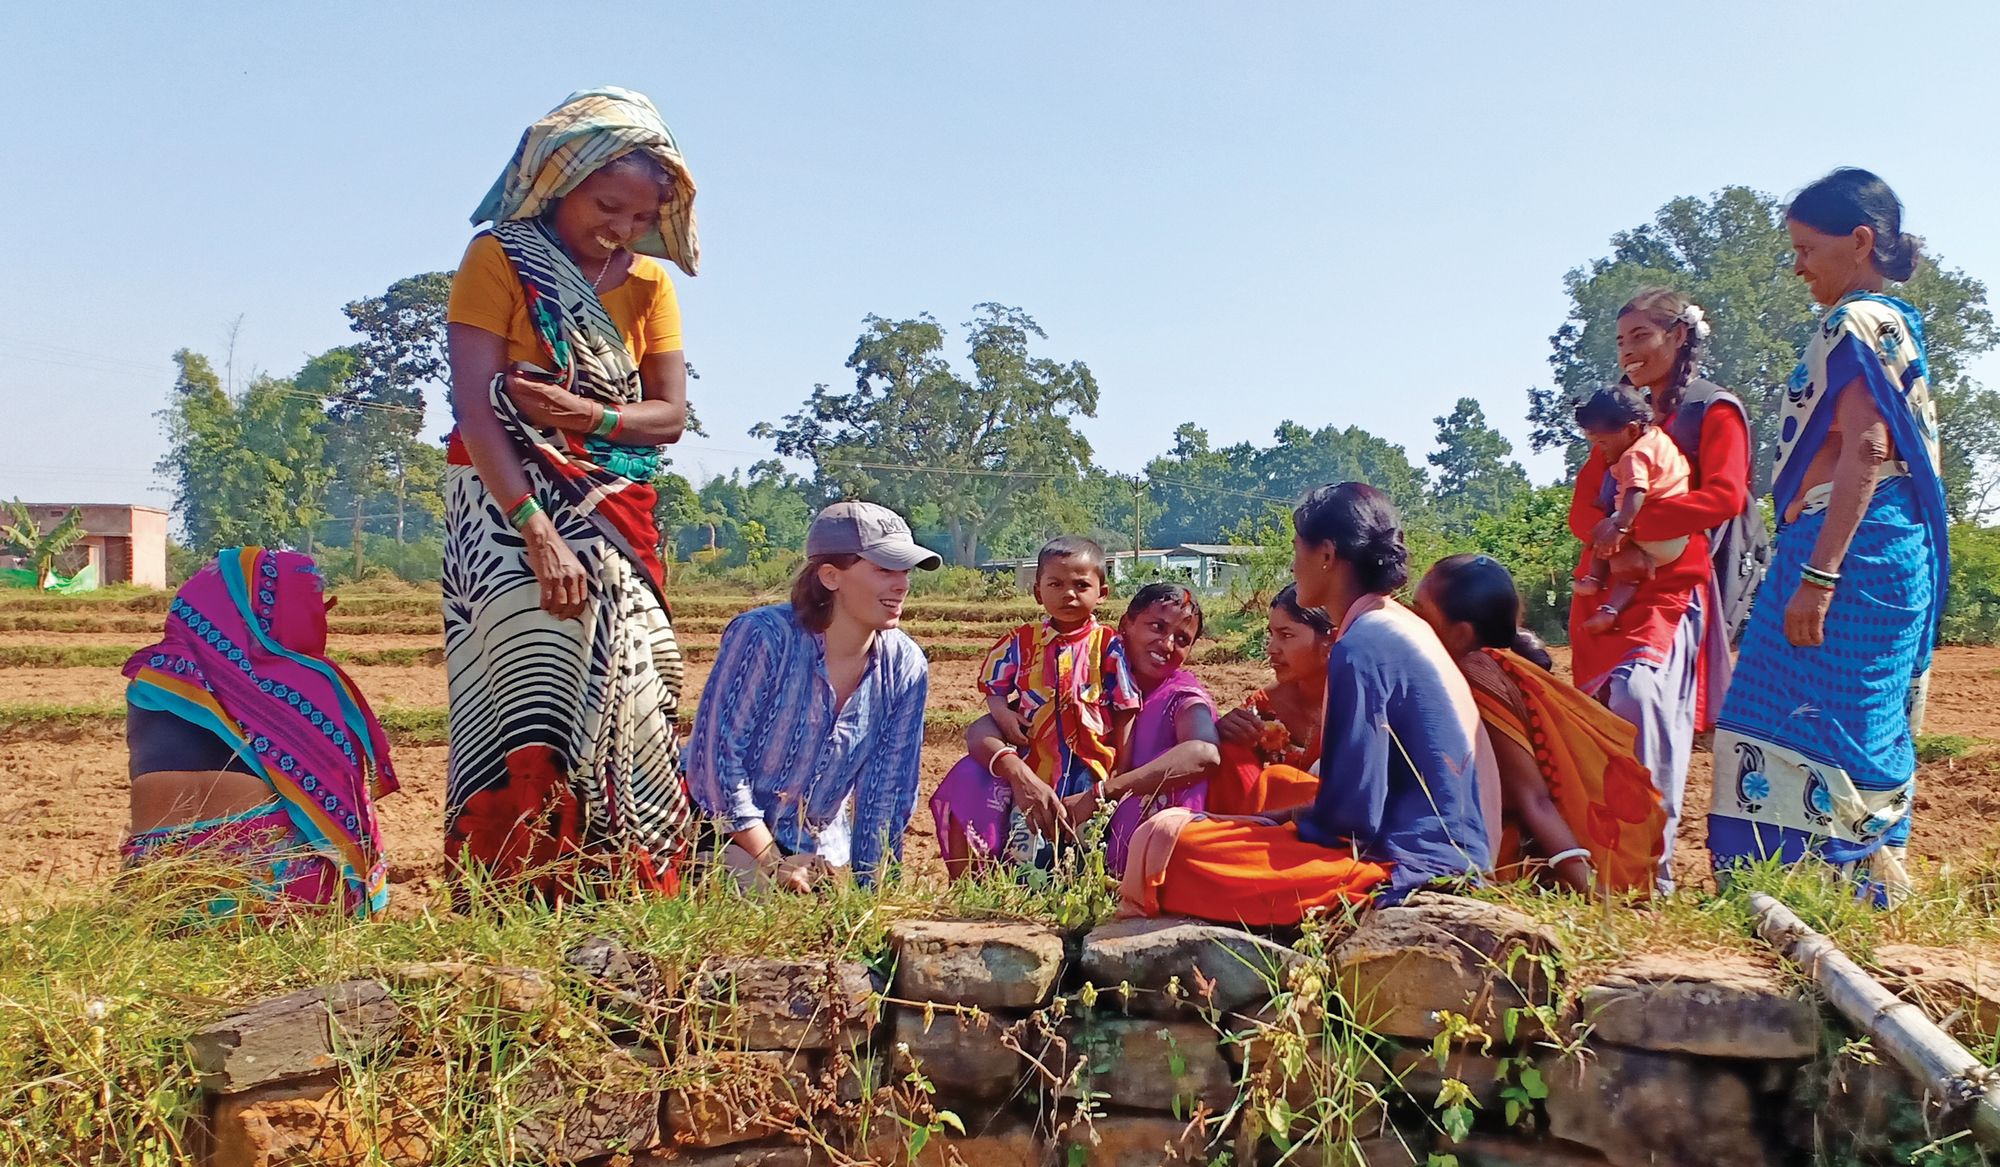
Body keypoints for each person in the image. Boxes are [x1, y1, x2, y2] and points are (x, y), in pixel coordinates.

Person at [440, 87, 699, 900]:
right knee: (529, 686)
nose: (618, 227)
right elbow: (476, 406)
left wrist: (588, 414)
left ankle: (628, 887)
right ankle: (515, 897)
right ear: (561, 182)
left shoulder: (650, 286)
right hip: (500, 502)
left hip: (615, 504)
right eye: (606, 204)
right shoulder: (499, 258)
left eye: (637, 214)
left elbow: (668, 416)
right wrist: (538, 531)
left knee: (640, 680)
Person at [1709, 168, 1948, 903]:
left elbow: (1866, 450)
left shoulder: (1858, 324)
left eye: (1807, 248)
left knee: (1806, 716)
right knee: (1847, 718)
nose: (1798, 265)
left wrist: (1820, 575)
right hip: (1881, 549)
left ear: (1861, 241)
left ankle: (1834, 891)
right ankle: (1857, 889)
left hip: (1851, 553)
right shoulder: (1891, 327)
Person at [1119, 484, 1495, 923]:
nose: (1294, 563)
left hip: (1408, 864)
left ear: (1328, 555)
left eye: (1297, 548)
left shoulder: (1363, 643)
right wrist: (1269, 821)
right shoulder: (1392, 626)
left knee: (1173, 851)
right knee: (1189, 834)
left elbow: (1353, 821)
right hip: (1437, 852)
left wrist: (1262, 825)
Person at [121, 548, 397, 916]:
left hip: (157, 893)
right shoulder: (305, 684)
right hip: (269, 895)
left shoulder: (152, 677)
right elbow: (347, 809)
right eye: (310, 603)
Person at [686, 502, 939, 892]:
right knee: (757, 895)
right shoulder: (765, 637)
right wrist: (772, 861)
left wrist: (871, 896)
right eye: (884, 569)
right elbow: (716, 763)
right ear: (830, 576)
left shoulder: (904, 666)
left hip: (813, 846)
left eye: (905, 571)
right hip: (722, 833)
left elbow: (886, 792)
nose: (901, 583)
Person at [1415, 555, 1666, 896]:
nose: (1410, 620)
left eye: (1421, 611)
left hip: (1517, 852)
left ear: (1460, 634)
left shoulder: (1475, 672)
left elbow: (1533, 797)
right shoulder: (1491, 664)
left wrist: (1592, 892)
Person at [937, 583, 1217, 879]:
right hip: (1060, 800)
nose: (1167, 643)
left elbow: (1204, 753)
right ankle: (971, 888)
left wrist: (1106, 793)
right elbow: (980, 730)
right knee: (972, 771)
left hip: (1123, 820)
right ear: (1125, 625)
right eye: (1157, 627)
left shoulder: (1181, 696)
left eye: (1182, 639)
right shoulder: (1089, 676)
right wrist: (1021, 776)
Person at [970, 536, 1140, 867]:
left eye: (1081, 585)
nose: (1068, 594)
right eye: (1056, 584)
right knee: (1028, 846)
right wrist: (1002, 713)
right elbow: (994, 685)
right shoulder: (1021, 642)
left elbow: (1125, 709)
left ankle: (1077, 895)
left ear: (1101, 594)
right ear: (1038, 592)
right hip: (1036, 766)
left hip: (1092, 770)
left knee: (1085, 848)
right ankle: (1025, 894)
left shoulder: (1108, 645)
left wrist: (1121, 769)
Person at [1614, 288, 1768, 646]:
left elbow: (1725, 498)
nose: (1627, 351)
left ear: (1679, 335)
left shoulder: (1715, 409)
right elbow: (1586, 502)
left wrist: (1628, 528)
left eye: (1640, 337)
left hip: (1687, 591)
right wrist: (1615, 544)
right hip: (1622, 588)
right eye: (1621, 341)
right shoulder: (1625, 419)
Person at [1573, 386, 1693, 635]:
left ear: (1630, 430)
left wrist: (1619, 527)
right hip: (1676, 540)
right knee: (1630, 577)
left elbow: (1636, 491)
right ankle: (1610, 612)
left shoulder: (1634, 456)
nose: (1601, 449)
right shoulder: (1659, 438)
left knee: (1602, 530)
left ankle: (1594, 580)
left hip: (1651, 532)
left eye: (1603, 442)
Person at [1208, 583, 1332, 816]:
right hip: (1263, 832)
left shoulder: (1360, 705)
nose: (1271, 649)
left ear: (1330, 640)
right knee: (1229, 751)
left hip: (1330, 833)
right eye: (1271, 635)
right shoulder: (1265, 707)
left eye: (1286, 635)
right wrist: (1224, 729)